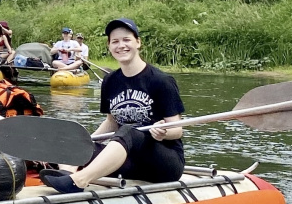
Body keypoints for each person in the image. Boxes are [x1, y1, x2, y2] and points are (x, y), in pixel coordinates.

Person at [40, 17, 185, 192]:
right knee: (75, 138)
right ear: (109, 46)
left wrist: (163, 132)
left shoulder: (161, 81)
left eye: (126, 40)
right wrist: (85, 142)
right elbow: (111, 122)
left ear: (138, 42)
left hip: (164, 162)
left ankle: (79, 181)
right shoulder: (110, 81)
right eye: (115, 41)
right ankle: (65, 174)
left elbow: (177, 130)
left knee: (130, 130)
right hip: (129, 161)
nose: (120, 45)